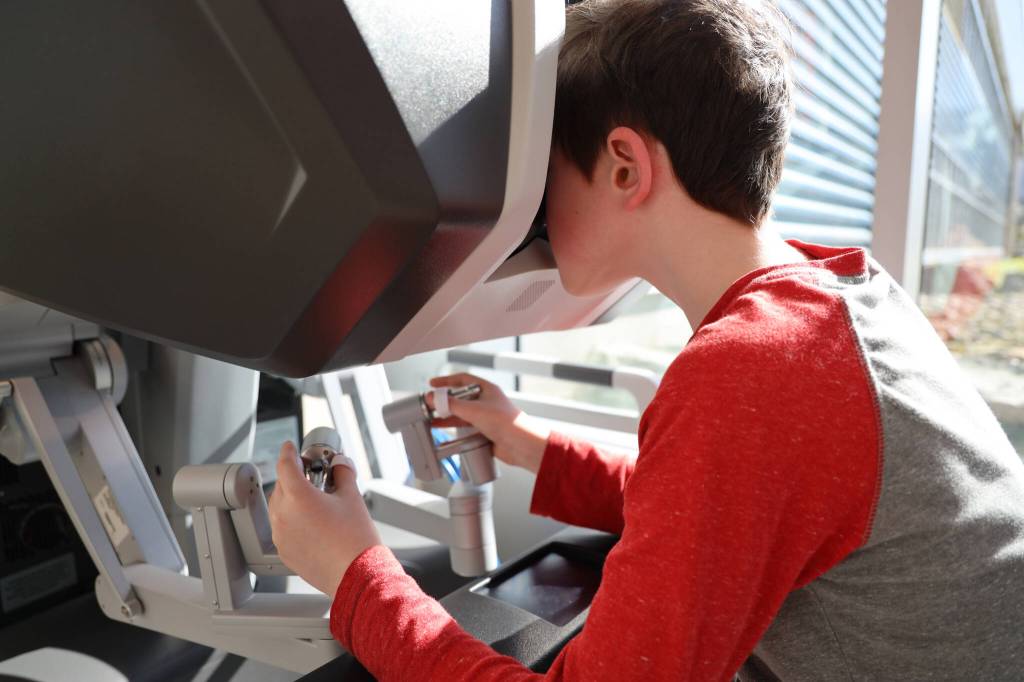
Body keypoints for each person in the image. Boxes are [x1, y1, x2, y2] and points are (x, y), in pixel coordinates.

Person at [267, 1, 1024, 679]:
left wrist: (354, 575)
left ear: (625, 166)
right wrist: (531, 443)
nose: (529, 209)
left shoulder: (754, 372)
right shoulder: (837, 304)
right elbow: (728, 517)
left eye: (546, 174)